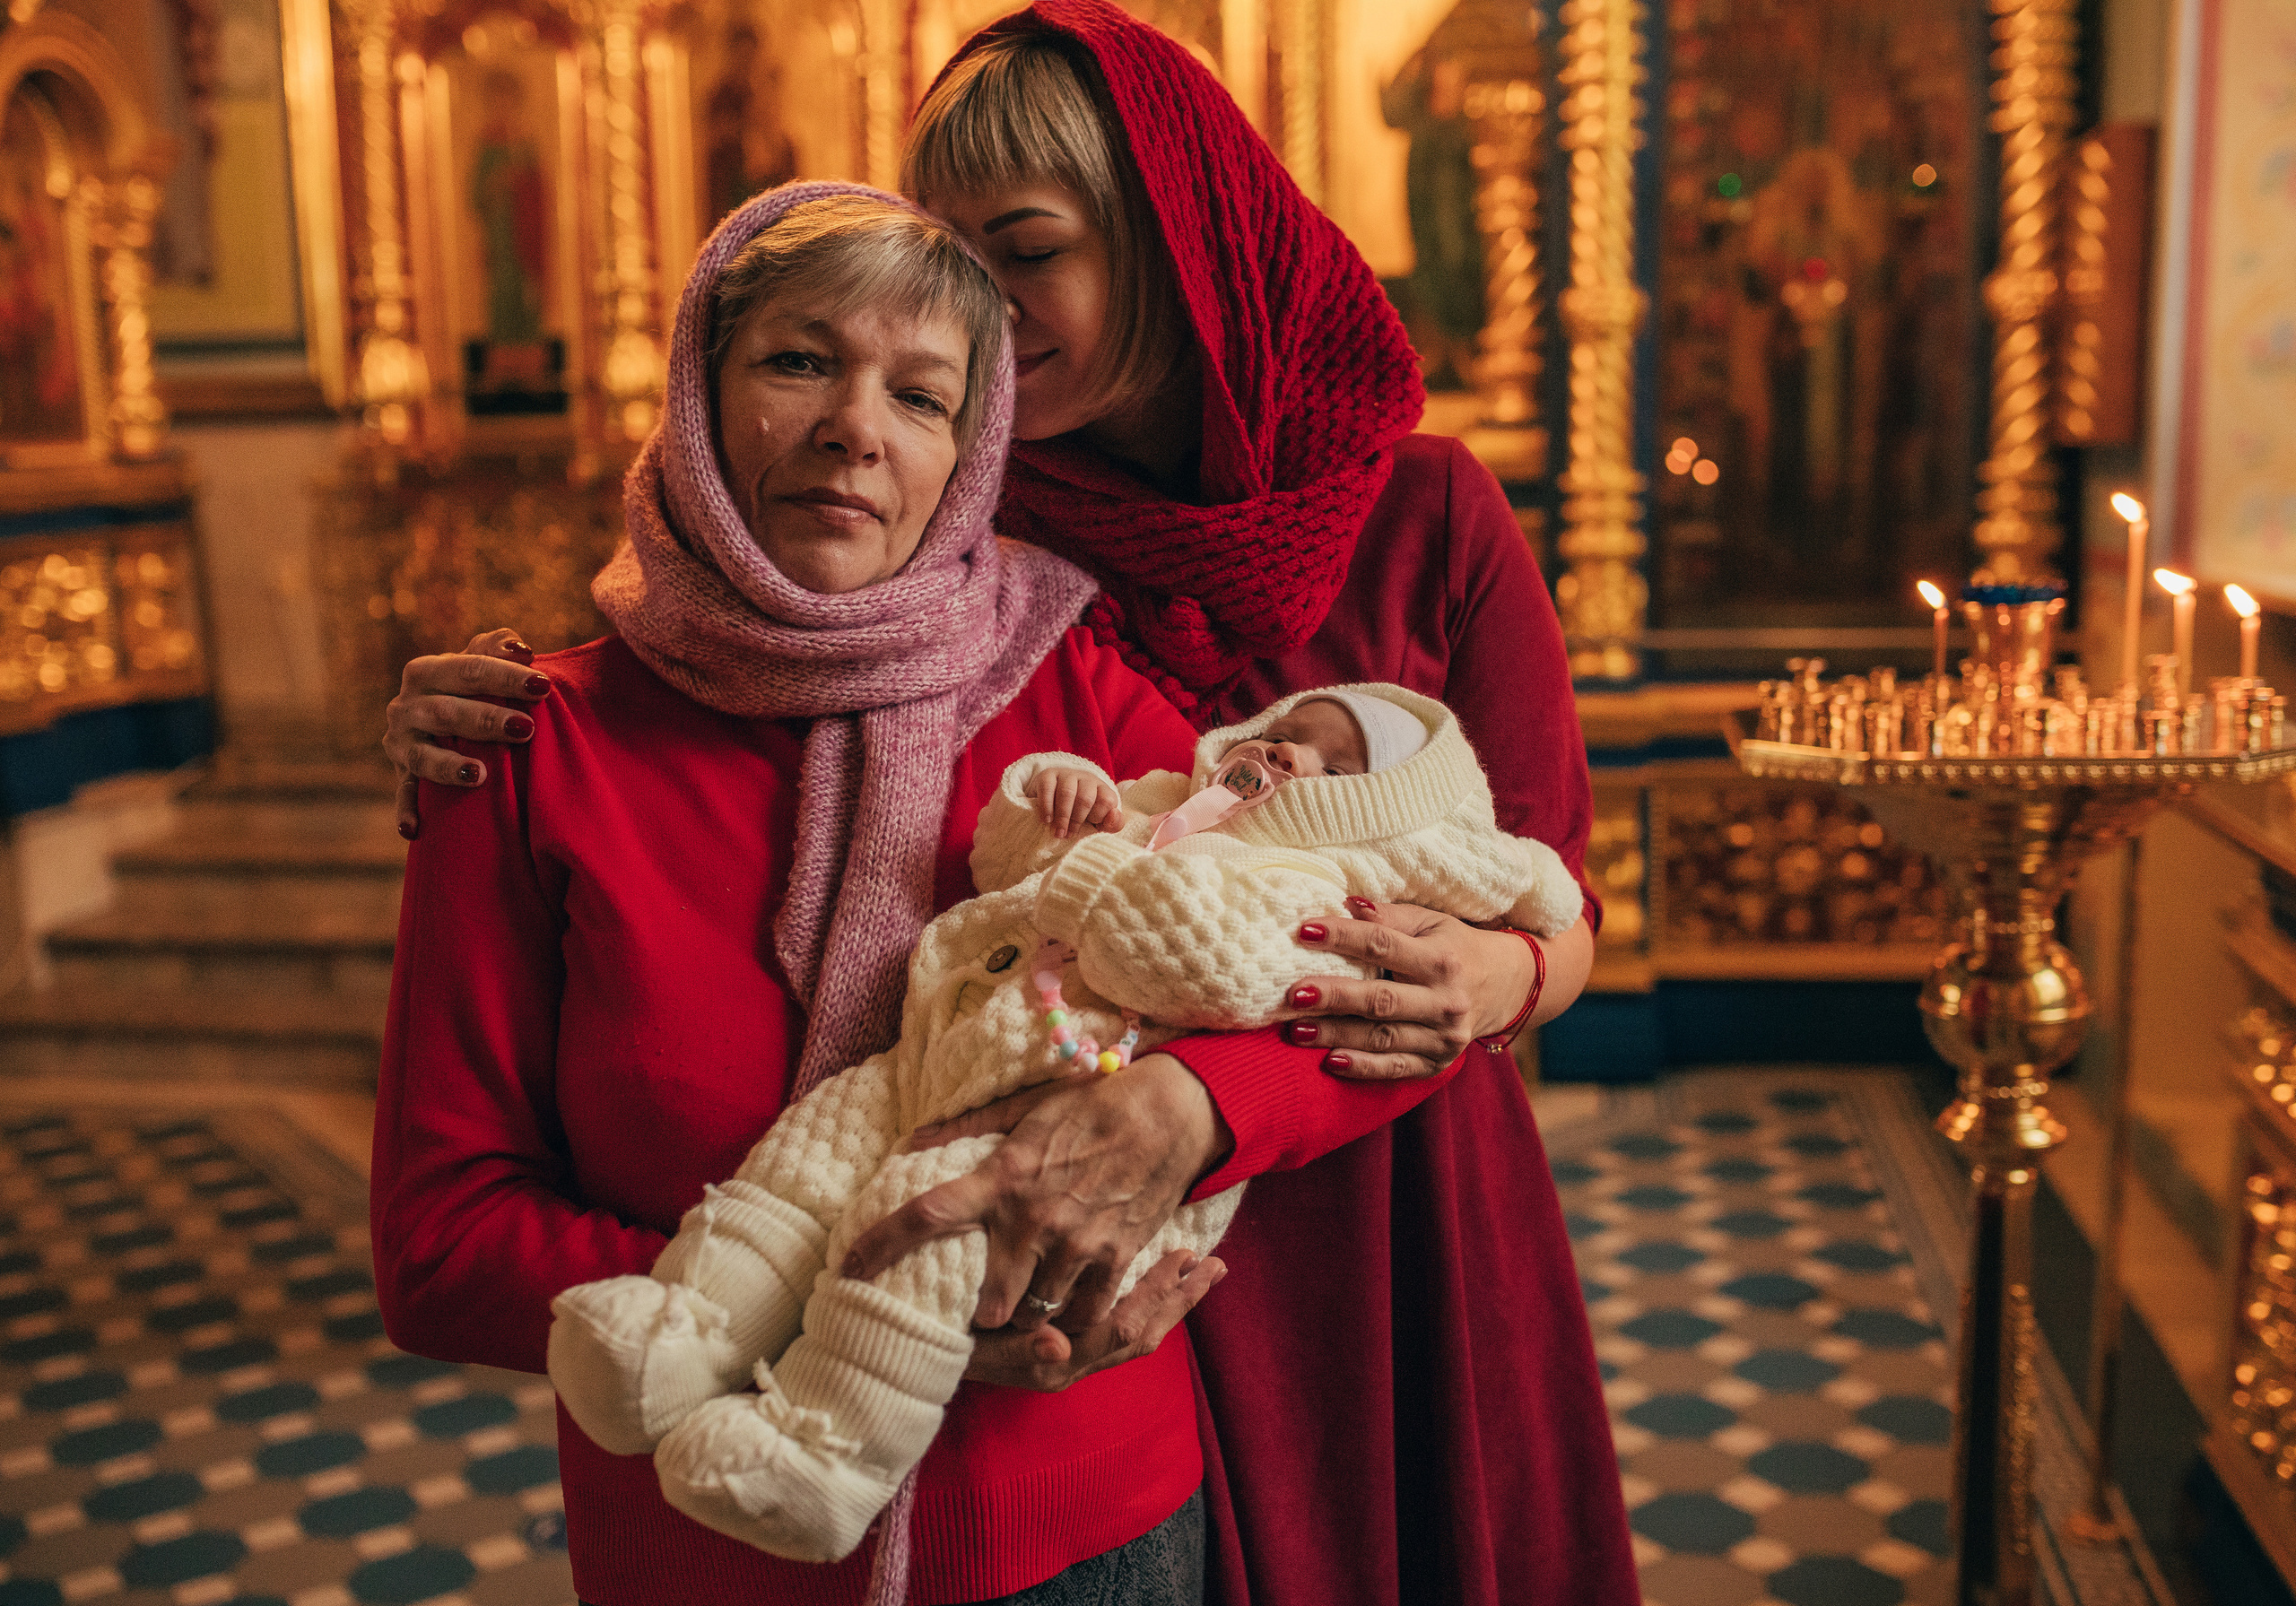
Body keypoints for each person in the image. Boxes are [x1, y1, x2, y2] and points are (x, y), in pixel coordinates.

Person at [378, 4, 1636, 1602]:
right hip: (1047, 1286)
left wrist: (1499, 975)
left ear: (1169, 247)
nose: (892, 397)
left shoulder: (1394, 524)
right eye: (936, 259)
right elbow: (736, 638)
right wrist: (514, 732)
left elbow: (1545, 888)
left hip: (1361, 1176)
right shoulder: (962, 526)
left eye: (1025, 251)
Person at [378, 184, 1264, 1606]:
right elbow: (442, 1241)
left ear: (971, 450)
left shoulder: (1078, 694)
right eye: (800, 361)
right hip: (711, 1537)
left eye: (921, 395)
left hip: (1078, 1520)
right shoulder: (528, 745)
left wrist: (1189, 1106)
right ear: (699, 389)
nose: (857, 426)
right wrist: (842, 1303)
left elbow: (1309, 961)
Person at [545, 684, 1584, 1567]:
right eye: (1286, 732)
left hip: (1068, 1120)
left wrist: (1093, 873)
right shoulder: (1168, 806)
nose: (1287, 756)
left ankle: (820, 1454)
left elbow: (1196, 966)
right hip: (942, 1053)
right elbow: (1003, 866)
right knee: (804, 1163)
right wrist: (1055, 800)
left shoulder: (1323, 891)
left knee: (923, 1229)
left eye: (1334, 763)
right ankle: (680, 1333)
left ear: (1376, 813)